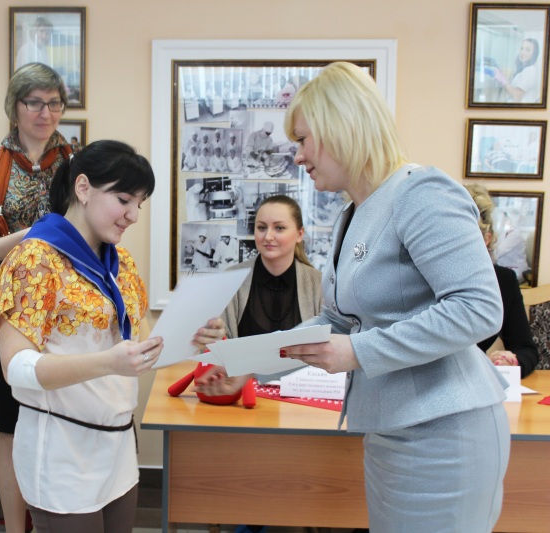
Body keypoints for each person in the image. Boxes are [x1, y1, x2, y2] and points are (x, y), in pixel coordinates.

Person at [199, 62, 510, 533]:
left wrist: (358, 351)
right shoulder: (355, 213)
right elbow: (338, 322)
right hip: (390, 430)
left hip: (445, 433)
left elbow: (478, 308)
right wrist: (242, 360)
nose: (297, 156)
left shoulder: (421, 192)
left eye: (303, 139)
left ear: (340, 127)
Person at [0, 140, 225, 532]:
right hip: (61, 449)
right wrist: (108, 362)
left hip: (117, 444)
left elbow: (144, 349)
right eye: (124, 200)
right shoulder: (34, 259)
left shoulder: (121, 264)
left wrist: (194, 338)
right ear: (83, 188)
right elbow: (16, 368)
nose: (133, 215)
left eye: (140, 203)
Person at [0, 62, 74, 533]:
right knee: (10, 427)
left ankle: (62, 522)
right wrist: (28, 238)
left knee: (64, 420)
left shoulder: (79, 164)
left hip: (65, 312)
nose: (45, 113)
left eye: (54, 103)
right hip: (2, 311)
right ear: (15, 107)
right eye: (35, 103)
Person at [197, 195, 323, 533]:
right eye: (261, 227)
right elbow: (216, 348)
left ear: (299, 234)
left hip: (300, 402)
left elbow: (324, 346)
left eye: (279, 228)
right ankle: (253, 518)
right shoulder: (232, 278)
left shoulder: (318, 282)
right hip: (243, 402)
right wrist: (212, 337)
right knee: (248, 481)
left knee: (301, 481)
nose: (268, 236)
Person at [466, 184, 539, 378]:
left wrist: (511, 361)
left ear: (486, 239)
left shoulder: (504, 281)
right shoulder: (422, 278)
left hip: (475, 383)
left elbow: (526, 349)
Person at [487, 38, 542, 103]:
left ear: (534, 53)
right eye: (521, 48)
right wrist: (503, 77)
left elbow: (517, 96)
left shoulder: (531, 70)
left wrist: (503, 81)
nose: (522, 52)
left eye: (527, 50)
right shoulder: (523, 70)